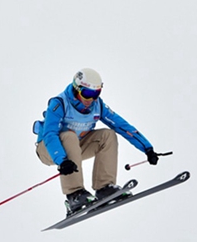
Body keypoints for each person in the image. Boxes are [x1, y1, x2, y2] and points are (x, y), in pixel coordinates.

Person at [35, 68, 159, 216]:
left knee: (108, 135)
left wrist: (147, 148)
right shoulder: (59, 104)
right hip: (48, 150)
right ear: (77, 89)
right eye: (87, 94)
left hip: (76, 147)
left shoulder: (97, 105)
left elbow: (121, 125)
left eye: (96, 93)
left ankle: (104, 188)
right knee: (69, 136)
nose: (91, 99)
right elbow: (50, 134)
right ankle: (74, 195)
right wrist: (61, 160)